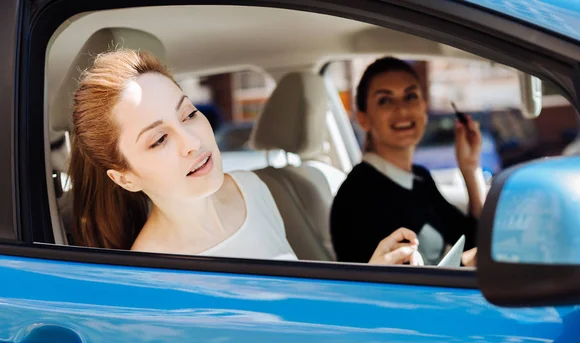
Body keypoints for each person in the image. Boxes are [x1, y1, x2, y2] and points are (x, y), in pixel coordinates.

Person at [69, 49, 424, 265]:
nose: (192, 141)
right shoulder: (151, 275)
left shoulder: (253, 188)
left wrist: (376, 270)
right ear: (125, 178)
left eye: (189, 114)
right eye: (160, 138)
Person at [330, 57, 487, 265]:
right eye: (385, 100)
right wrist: (471, 261)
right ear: (363, 119)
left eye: (410, 96)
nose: (402, 110)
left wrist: (470, 168)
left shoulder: (419, 178)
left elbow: (470, 238)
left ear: (424, 108)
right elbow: (395, 282)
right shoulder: (356, 197)